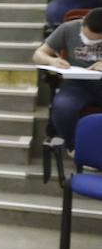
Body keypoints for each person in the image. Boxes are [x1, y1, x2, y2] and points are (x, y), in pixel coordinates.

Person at [33, 8, 102, 151]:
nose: (89, 41)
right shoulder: (69, 28)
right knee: (63, 108)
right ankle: (75, 148)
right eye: (87, 37)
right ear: (83, 24)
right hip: (77, 84)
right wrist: (51, 61)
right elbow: (38, 54)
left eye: (95, 40)